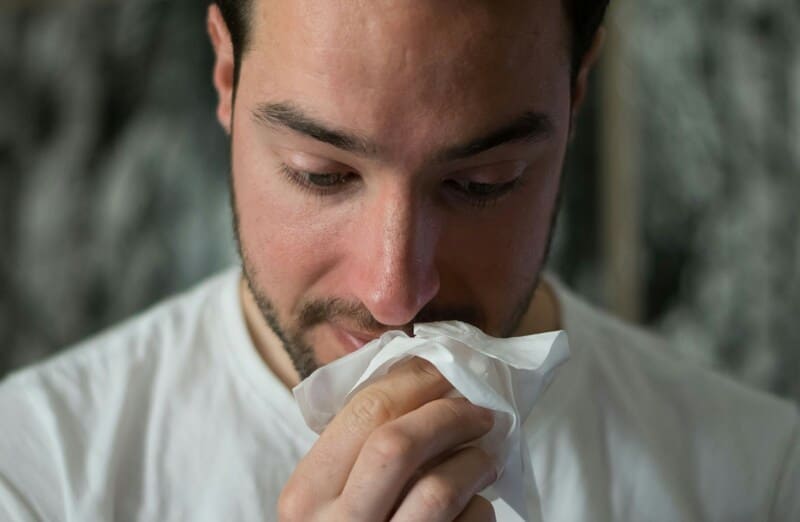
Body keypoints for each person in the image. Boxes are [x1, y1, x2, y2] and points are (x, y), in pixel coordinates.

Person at [0, 0, 798, 520]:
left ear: (576, 91)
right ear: (226, 73)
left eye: (483, 183)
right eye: (322, 174)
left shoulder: (764, 481)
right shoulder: (33, 478)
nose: (395, 294)